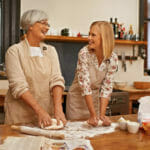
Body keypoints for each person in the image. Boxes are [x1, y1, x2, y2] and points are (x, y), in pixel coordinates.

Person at [4, 9, 67, 127]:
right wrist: (39, 111)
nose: (47, 27)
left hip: (47, 115)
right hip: (20, 116)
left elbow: (57, 80)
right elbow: (19, 86)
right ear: (30, 25)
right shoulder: (14, 51)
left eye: (47, 24)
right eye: (43, 23)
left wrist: (58, 109)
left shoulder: (51, 51)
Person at [66, 21, 118, 126]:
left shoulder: (113, 58)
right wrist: (93, 114)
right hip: (77, 103)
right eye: (89, 34)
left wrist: (101, 116)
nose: (89, 38)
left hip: (94, 101)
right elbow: (85, 86)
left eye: (93, 35)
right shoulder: (84, 53)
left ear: (104, 37)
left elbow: (106, 88)